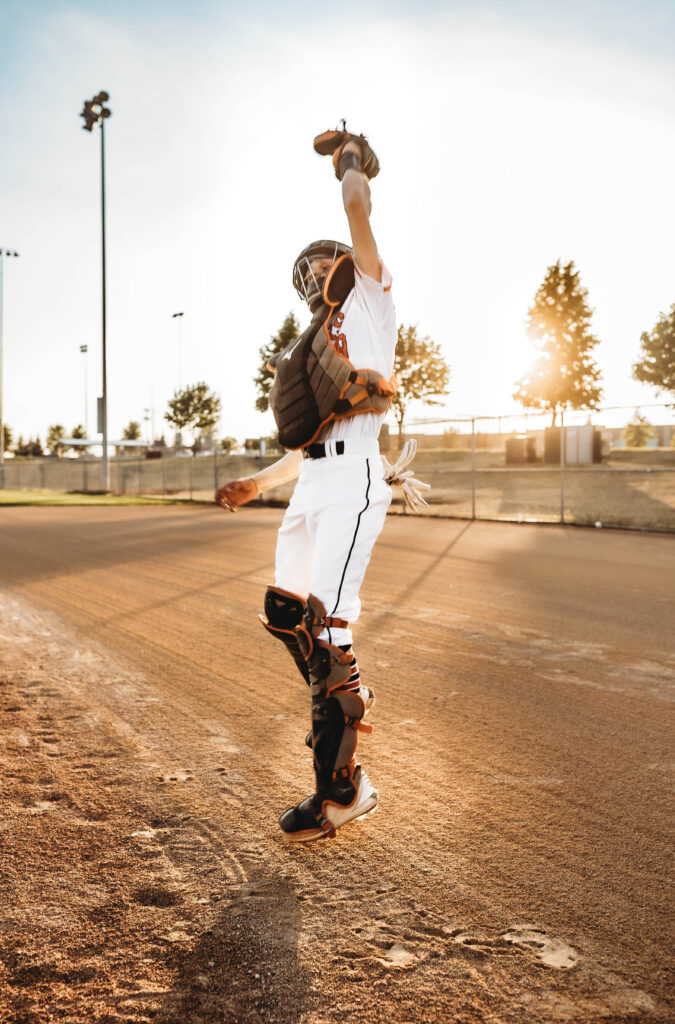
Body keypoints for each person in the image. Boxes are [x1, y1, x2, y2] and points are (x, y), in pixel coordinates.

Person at [217, 130, 414, 842]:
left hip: (355, 479)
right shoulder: (310, 349)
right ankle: (337, 692)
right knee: (285, 613)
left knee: (328, 633)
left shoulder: (370, 301)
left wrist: (353, 163)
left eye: (319, 261)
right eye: (301, 272)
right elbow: (308, 442)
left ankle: (342, 788)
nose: (312, 275)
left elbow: (358, 207)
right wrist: (258, 483)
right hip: (312, 486)